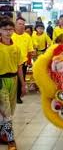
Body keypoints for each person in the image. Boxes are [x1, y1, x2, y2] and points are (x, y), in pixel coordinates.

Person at [0, 17, 26, 150]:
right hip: (1, 82)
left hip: (14, 80)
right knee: (6, 112)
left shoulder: (16, 47)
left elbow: (20, 67)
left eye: (10, 29)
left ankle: (2, 134)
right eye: (5, 29)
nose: (8, 32)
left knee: (10, 111)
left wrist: (23, 84)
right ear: (0, 30)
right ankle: (10, 140)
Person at [12, 17, 34, 104]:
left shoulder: (27, 36)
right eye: (19, 24)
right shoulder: (11, 35)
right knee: (12, 80)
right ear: (15, 25)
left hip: (23, 62)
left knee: (21, 80)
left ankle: (18, 97)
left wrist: (30, 62)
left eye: (23, 24)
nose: (21, 26)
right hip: (12, 62)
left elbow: (30, 51)